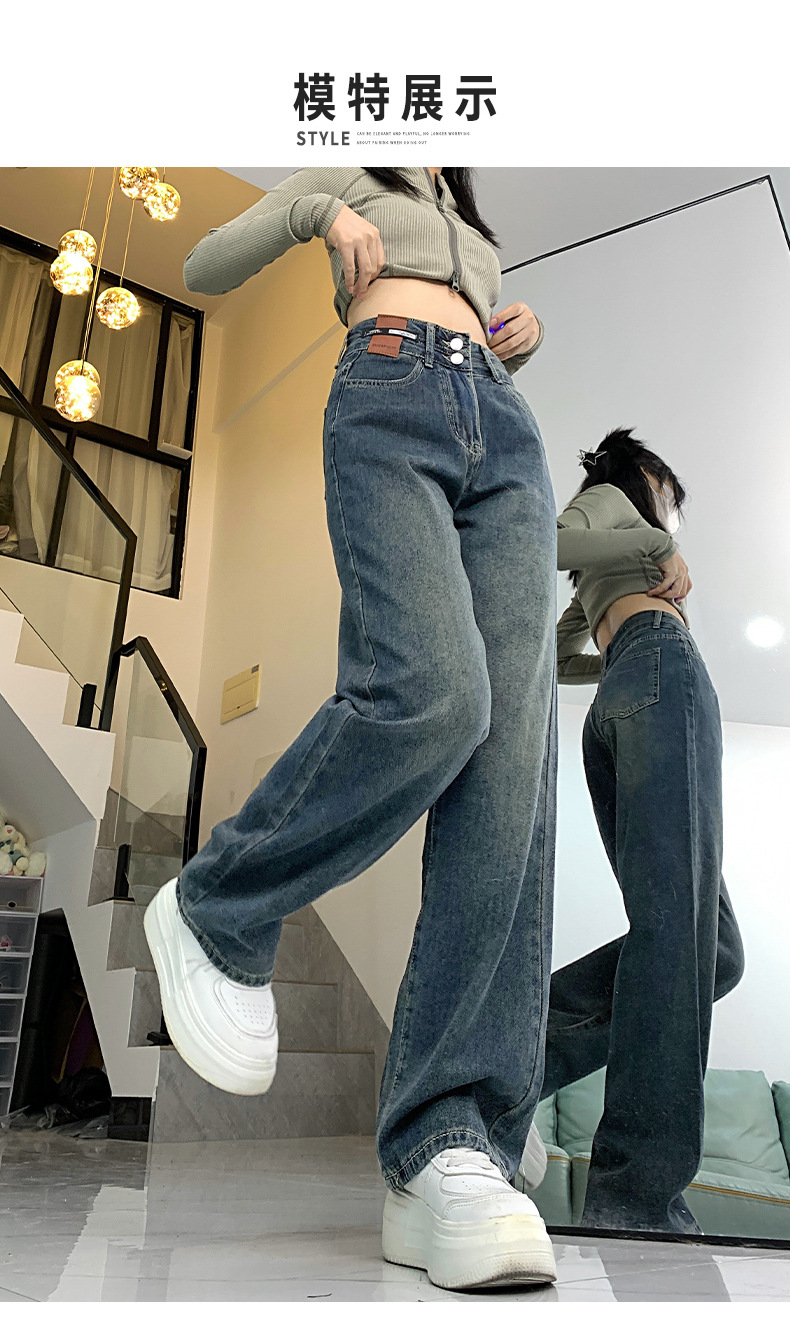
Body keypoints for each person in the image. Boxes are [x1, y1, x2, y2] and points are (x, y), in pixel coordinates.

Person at [143, 168, 559, 1290]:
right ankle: (216, 904)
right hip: (388, 386)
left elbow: (475, 320)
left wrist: (508, 335)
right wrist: (314, 216)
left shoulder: (467, 215)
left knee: (511, 771)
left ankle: (448, 1144)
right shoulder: (349, 172)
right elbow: (202, 265)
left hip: (505, 431)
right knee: (433, 694)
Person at [541, 427, 744, 1233]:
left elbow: (558, 656)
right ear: (644, 476)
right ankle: (637, 1200)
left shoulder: (603, 575)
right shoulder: (612, 506)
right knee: (679, 934)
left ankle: (509, 1061)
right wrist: (658, 547)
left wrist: (617, 647)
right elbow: (548, 538)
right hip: (661, 671)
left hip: (631, 680)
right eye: (669, 497)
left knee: (712, 950)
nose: (671, 517)